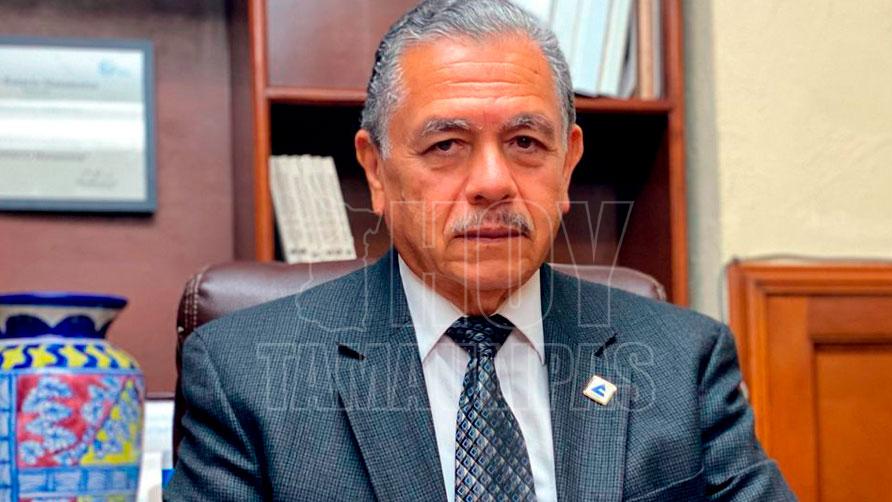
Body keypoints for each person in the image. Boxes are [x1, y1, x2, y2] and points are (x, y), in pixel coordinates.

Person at [166, 0, 795, 500]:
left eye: (525, 142)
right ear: (377, 171)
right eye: (446, 145)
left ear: (567, 164)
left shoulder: (684, 362)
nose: (494, 183)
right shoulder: (245, 377)